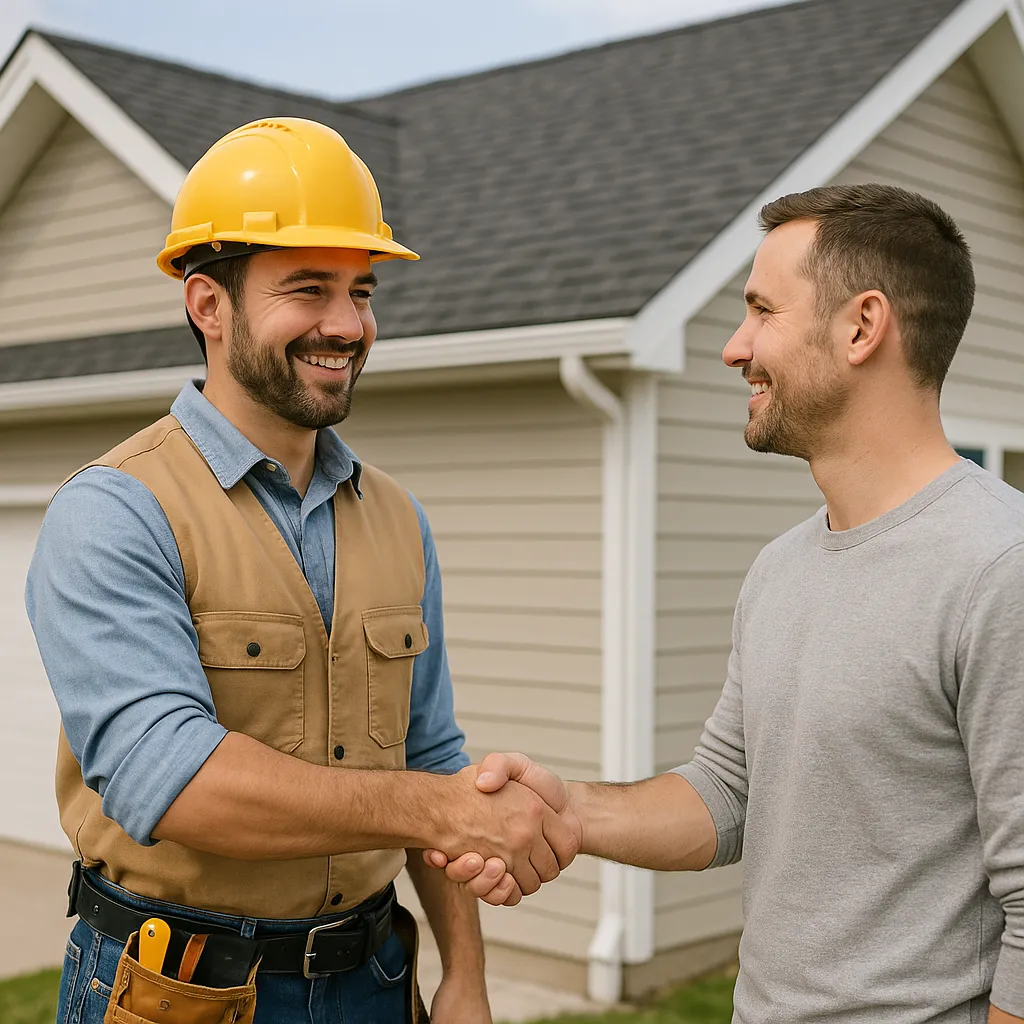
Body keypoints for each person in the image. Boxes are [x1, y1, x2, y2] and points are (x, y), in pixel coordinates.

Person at [27, 117, 577, 1024]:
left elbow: (432, 756)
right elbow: (174, 779)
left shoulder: (399, 518)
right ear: (209, 304)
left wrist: (466, 979)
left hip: (373, 981)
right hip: (178, 992)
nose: (348, 324)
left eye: (361, 291)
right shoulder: (116, 512)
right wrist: (440, 811)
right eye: (308, 289)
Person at [430, 184, 1024, 1024]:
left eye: (761, 310)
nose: (735, 348)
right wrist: (567, 809)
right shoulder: (780, 570)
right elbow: (728, 793)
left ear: (862, 327)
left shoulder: (999, 567)